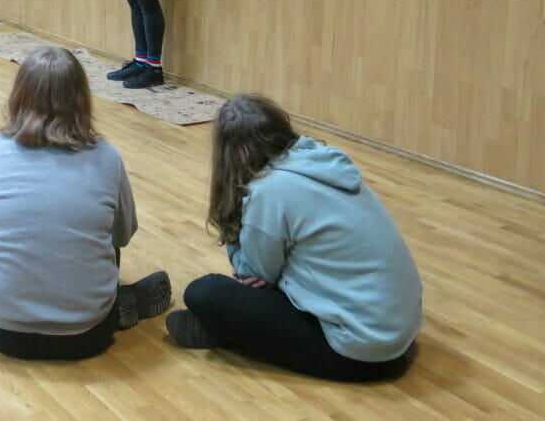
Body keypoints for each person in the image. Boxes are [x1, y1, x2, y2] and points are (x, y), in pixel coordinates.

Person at [166, 94, 422, 381]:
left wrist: (239, 228)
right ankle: (226, 329)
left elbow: (251, 275)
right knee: (283, 266)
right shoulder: (322, 160)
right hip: (402, 333)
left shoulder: (269, 190)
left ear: (233, 152)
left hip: (361, 353)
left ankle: (225, 332)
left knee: (204, 292)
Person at [0, 45, 171, 360]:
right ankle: (111, 300)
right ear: (81, 99)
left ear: (18, 96)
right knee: (103, 237)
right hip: (87, 334)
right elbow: (123, 235)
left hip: (1, 332)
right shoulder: (107, 157)